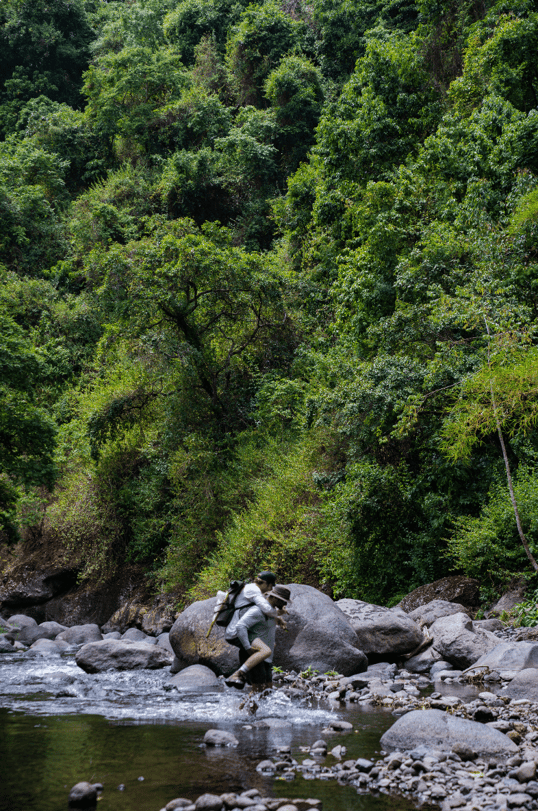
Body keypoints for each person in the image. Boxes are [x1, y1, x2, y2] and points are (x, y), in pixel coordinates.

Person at [225, 584, 291, 690]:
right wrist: (247, 647)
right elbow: (240, 626)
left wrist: (279, 620)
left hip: (265, 659)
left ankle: (240, 707)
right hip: (255, 653)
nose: (284, 604)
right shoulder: (257, 610)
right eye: (282, 601)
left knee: (266, 691)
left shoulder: (270, 612)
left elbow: (265, 625)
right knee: (258, 690)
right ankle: (238, 674)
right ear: (273, 597)